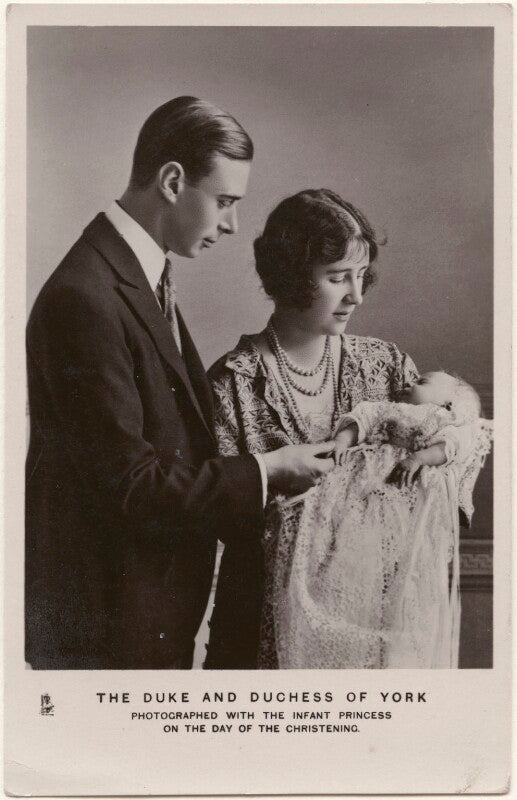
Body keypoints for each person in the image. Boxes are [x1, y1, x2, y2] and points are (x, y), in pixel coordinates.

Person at [25, 98, 336, 670]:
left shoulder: (136, 276)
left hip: (140, 619)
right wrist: (267, 471)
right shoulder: (85, 296)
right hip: (105, 632)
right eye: (225, 201)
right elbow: (132, 489)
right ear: (172, 181)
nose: (231, 224)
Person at [204, 188, 419, 669]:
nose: (356, 296)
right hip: (259, 627)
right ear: (292, 276)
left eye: (361, 276)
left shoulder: (387, 366)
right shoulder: (232, 383)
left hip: (369, 626)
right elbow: (216, 518)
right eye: (338, 278)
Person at [270, 371, 492, 669]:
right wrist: (341, 441)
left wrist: (418, 458)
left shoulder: (444, 420)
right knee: (345, 540)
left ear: (448, 403)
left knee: (394, 562)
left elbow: (448, 448)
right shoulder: (387, 408)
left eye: (422, 383)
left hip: (398, 490)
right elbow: (362, 419)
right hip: (358, 484)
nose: (409, 383)